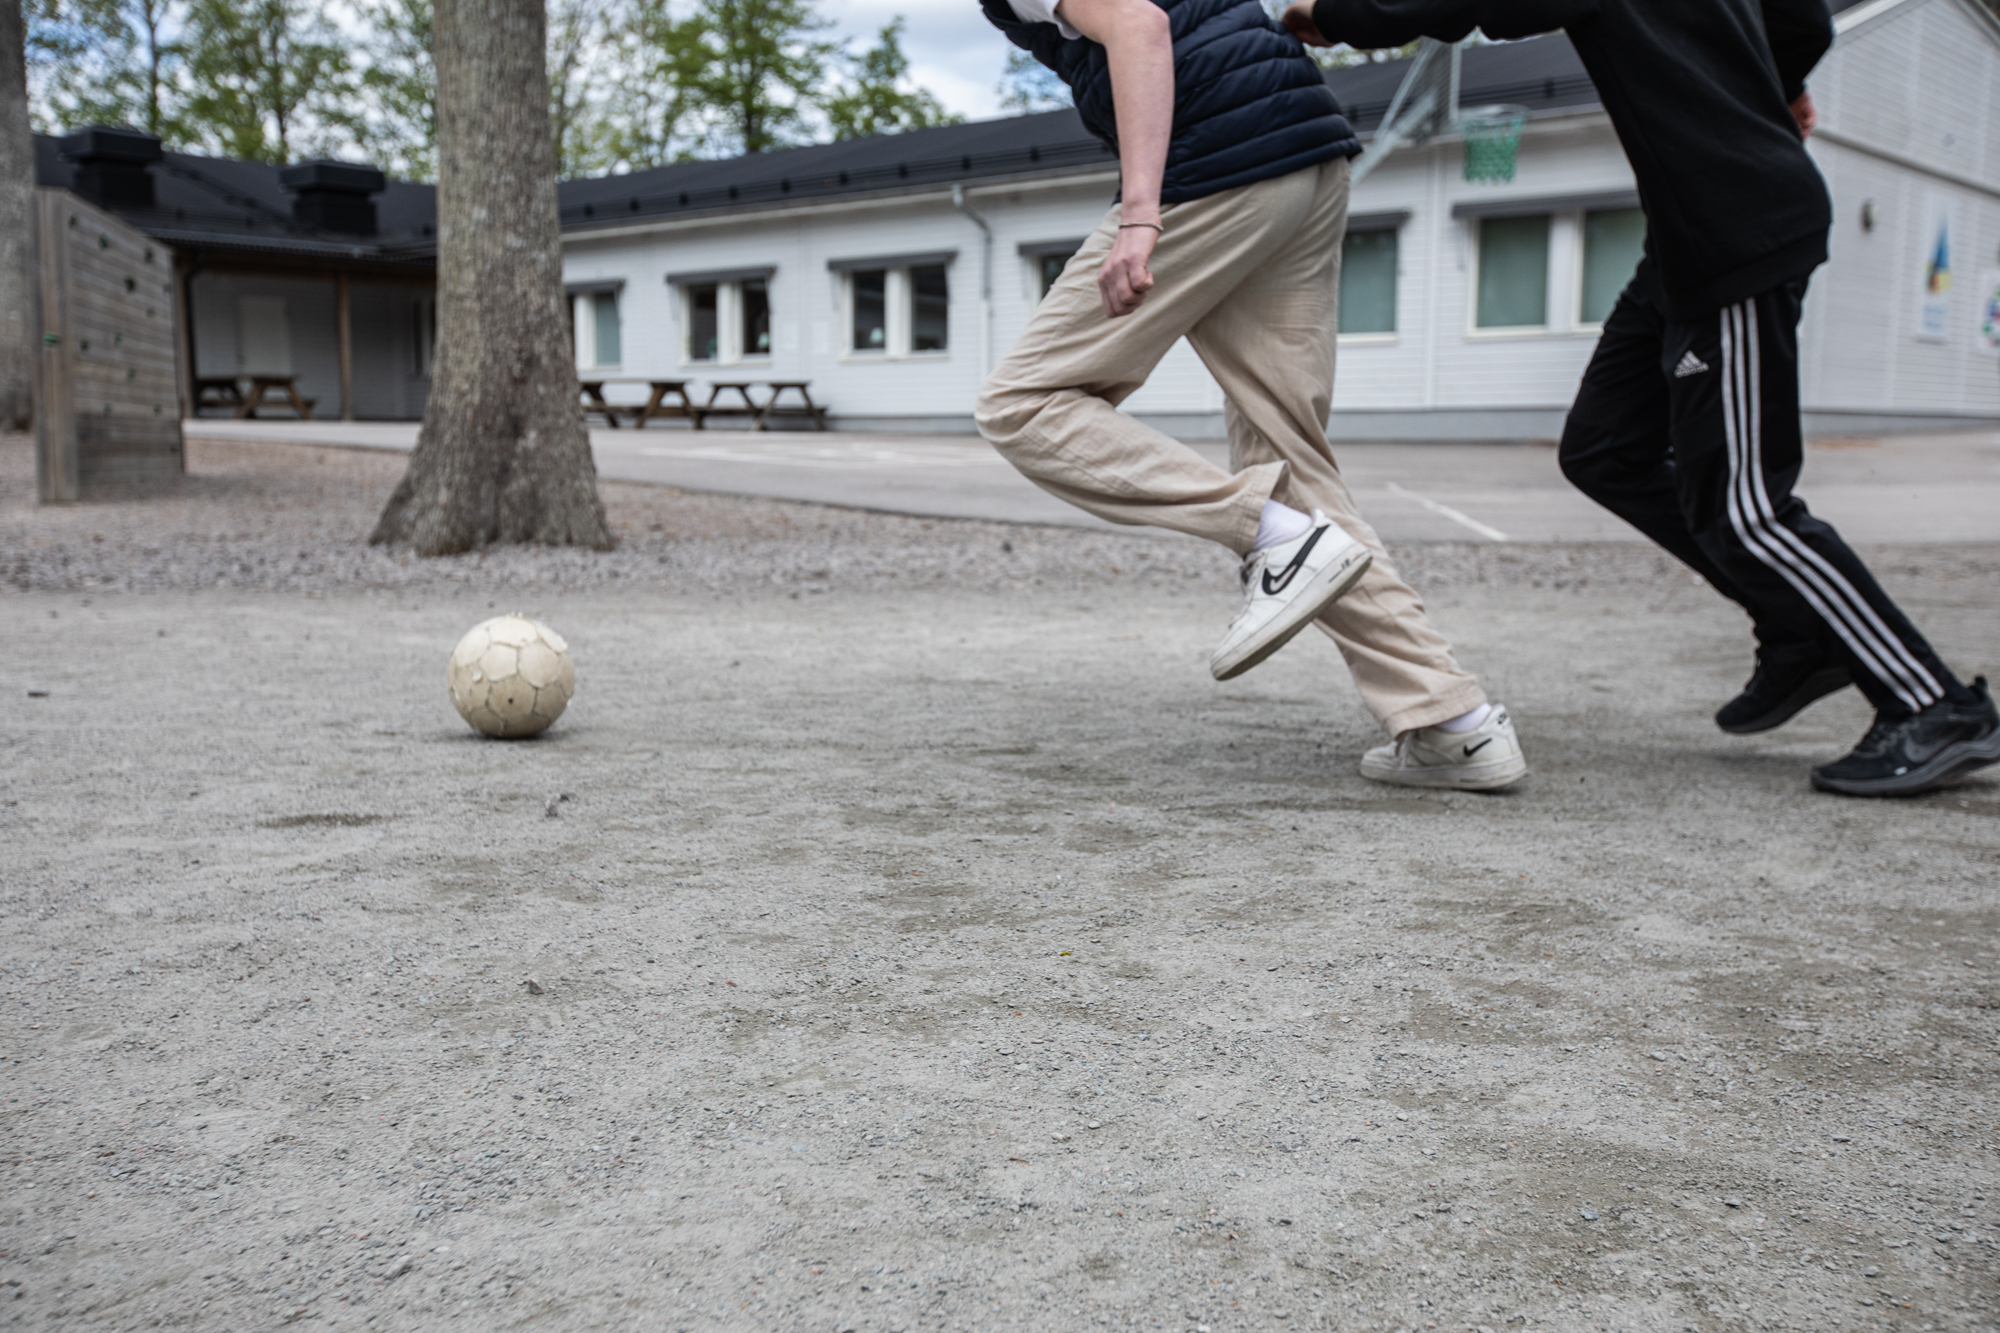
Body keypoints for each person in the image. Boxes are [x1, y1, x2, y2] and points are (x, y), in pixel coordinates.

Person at [1286, 0, 1999, 797]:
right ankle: (1799, 630)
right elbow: (1803, 20)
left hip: (1736, 231)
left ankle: (1935, 704)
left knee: (1748, 511)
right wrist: (1777, 83)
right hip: (1687, 244)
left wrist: (1334, 15)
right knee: (1605, 449)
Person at [976, 0, 1528, 791]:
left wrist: (1140, 219)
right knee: (1291, 461)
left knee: (1024, 401)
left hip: (1218, 160)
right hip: (1303, 147)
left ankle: (1273, 535)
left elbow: (1138, 24)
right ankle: (1453, 723)